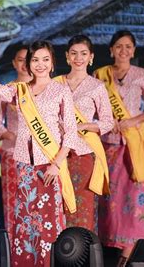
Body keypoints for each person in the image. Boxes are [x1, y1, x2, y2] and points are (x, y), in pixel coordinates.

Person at [0, 33, 79, 267]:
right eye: (35, 60)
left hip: (50, 165)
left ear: (52, 63)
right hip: (23, 163)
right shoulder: (20, 90)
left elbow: (71, 133)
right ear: (28, 64)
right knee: (25, 220)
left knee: (48, 222)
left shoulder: (60, 91)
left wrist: (56, 164)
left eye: (45, 60)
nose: (40, 65)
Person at [94, 30, 144, 265]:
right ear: (111, 50)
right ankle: (108, 246)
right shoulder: (99, 75)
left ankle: (129, 251)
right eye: (119, 46)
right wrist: (106, 123)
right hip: (108, 145)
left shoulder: (142, 75)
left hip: (134, 145)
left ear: (134, 50)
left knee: (135, 198)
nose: (124, 50)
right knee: (109, 200)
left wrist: (132, 121)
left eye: (128, 46)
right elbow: (91, 108)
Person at [55, 35, 113, 231]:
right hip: (55, 152)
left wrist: (82, 126)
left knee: (83, 207)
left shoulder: (96, 86)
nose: (78, 58)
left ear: (91, 57)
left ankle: (81, 255)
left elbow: (107, 122)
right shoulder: (55, 84)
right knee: (57, 205)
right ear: (67, 57)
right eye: (74, 53)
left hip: (83, 152)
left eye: (83, 54)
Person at [0, 45, 32, 239]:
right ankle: (14, 248)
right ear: (15, 63)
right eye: (20, 60)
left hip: (40, 155)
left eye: (28, 59)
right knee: (14, 202)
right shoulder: (6, 90)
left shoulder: (45, 90)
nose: (25, 64)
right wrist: (7, 135)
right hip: (12, 153)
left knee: (37, 204)